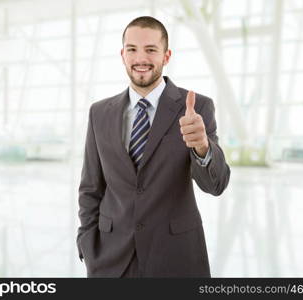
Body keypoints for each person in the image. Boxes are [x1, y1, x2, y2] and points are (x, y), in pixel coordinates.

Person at [76, 16, 230, 278]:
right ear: (123, 55)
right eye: (132, 49)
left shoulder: (197, 108)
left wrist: (202, 147)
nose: (140, 58)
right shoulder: (99, 113)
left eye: (150, 50)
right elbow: (91, 187)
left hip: (176, 257)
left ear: (166, 56)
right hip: (110, 260)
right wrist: (87, 243)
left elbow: (215, 186)